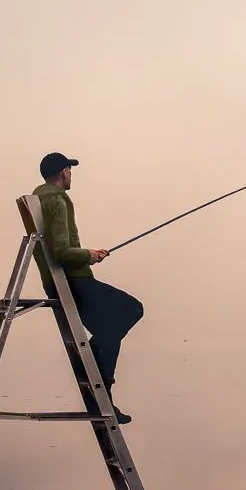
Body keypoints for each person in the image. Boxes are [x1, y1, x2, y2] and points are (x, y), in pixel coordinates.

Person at [33, 152, 144, 424]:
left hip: (61, 282)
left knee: (111, 328)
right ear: (62, 172)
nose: (71, 174)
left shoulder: (38, 197)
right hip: (74, 281)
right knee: (132, 309)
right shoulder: (58, 200)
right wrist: (90, 255)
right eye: (70, 170)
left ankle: (97, 378)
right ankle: (97, 376)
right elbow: (61, 251)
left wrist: (90, 255)